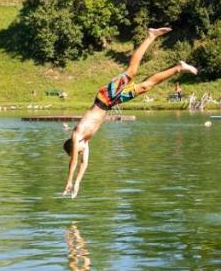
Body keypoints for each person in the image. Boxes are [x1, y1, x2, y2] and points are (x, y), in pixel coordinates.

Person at [62, 28, 197, 197]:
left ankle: (150, 36)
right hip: (112, 103)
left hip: (104, 97)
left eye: (79, 150)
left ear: (74, 147)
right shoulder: (86, 142)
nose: (83, 152)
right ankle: (178, 68)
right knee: (145, 87)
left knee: (132, 71)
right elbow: (83, 165)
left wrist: (68, 181)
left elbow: (74, 162)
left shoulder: (77, 135)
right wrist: (77, 185)